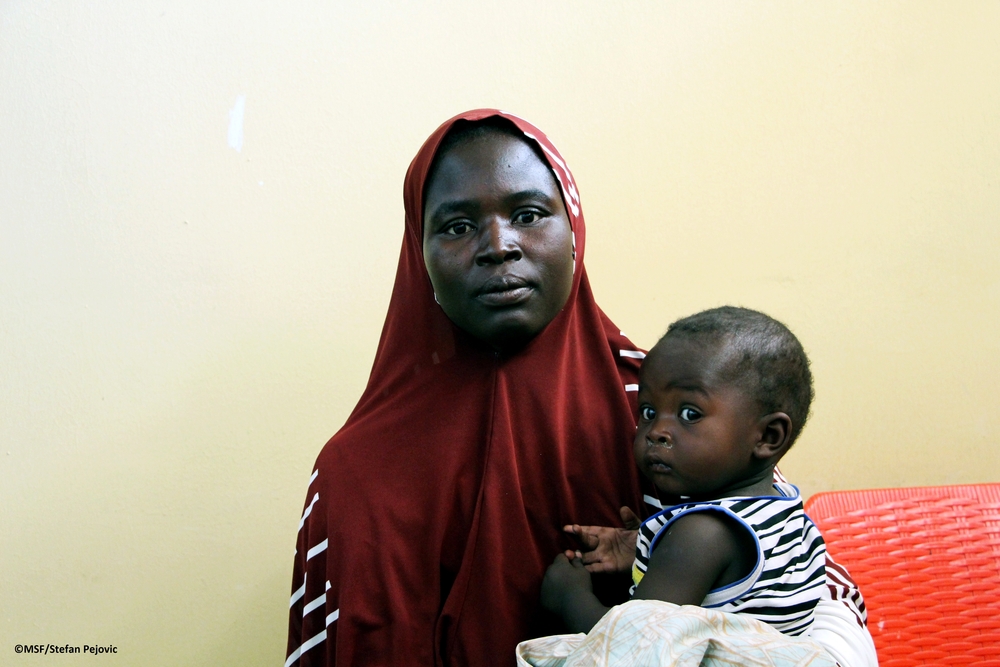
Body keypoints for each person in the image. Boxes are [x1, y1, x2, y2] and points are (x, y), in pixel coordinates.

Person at [285, 110, 876, 667]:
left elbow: (810, 585)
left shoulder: (658, 408)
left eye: (528, 214)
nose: (499, 246)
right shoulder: (357, 471)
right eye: (458, 225)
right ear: (420, 255)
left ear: (574, 230)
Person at [540, 307, 826, 639]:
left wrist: (571, 597)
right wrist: (650, 553)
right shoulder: (785, 509)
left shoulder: (702, 534)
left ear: (767, 436)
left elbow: (629, 647)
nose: (656, 431)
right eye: (647, 411)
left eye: (690, 414)